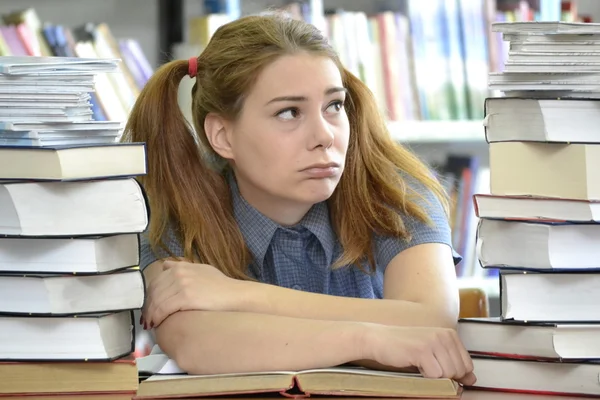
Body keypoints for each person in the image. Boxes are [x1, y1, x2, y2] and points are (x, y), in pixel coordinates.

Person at [122, 13, 476, 385]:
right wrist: (369, 337)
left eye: (334, 106)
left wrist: (238, 295)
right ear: (223, 136)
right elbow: (196, 344)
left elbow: (430, 319)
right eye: (289, 112)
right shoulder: (177, 213)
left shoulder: (394, 192)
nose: (325, 136)